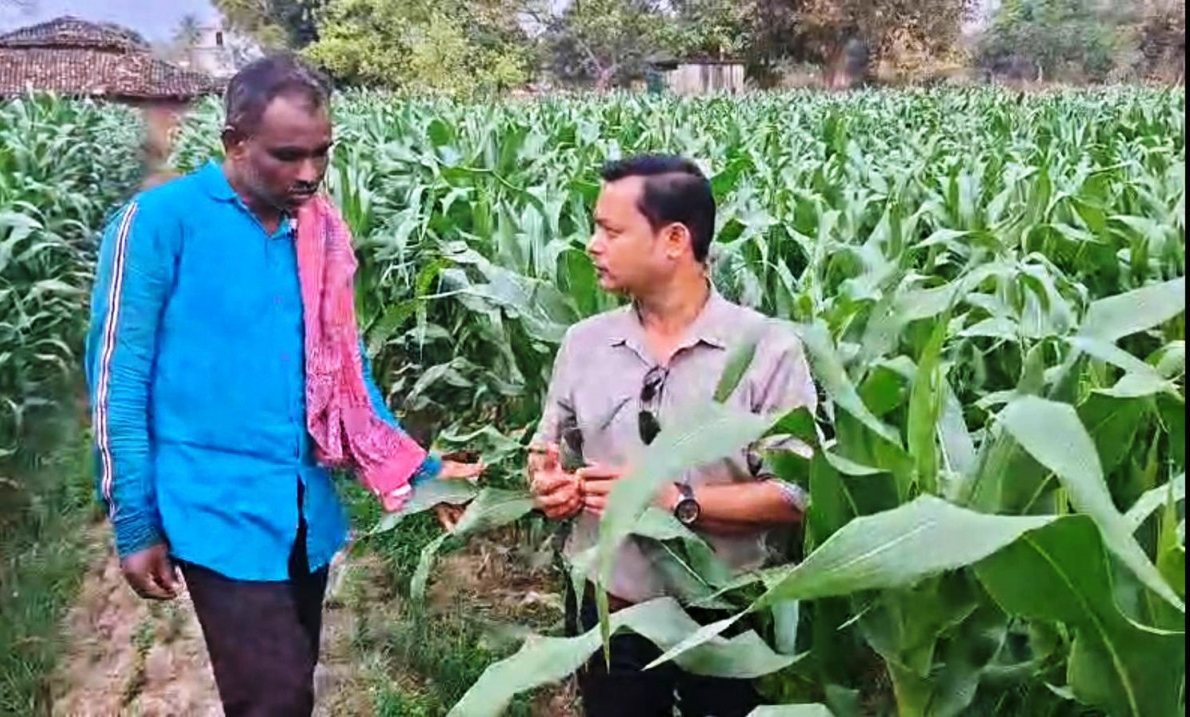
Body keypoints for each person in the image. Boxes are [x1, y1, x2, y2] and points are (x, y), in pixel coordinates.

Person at [85, 54, 479, 716]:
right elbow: (116, 383)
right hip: (212, 508)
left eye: (322, 153)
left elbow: (347, 377)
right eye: (287, 155)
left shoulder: (319, 231)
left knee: (292, 678)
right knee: (274, 699)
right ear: (234, 142)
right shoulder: (156, 223)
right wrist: (134, 518)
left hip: (305, 511)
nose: (309, 173)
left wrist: (423, 469)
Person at [528, 155, 817, 717]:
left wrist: (675, 502)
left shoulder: (767, 350)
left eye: (611, 231)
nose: (592, 245)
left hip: (726, 614)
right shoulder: (584, 344)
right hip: (611, 611)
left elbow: (796, 494)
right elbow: (548, 453)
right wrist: (548, 485)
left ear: (674, 240)